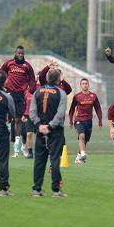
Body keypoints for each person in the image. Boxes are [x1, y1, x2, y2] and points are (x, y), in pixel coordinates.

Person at [29, 69, 68, 197]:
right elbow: (60, 113)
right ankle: (56, 190)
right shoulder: (61, 93)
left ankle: (37, 189)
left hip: (40, 131)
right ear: (58, 80)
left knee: (39, 160)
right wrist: (50, 127)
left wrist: (40, 125)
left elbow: (32, 112)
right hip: (55, 131)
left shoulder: (37, 92)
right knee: (55, 159)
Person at [0, 45, 36, 158]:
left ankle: (16, 147)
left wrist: (30, 89)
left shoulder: (27, 66)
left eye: (22, 53)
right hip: (10, 93)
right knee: (8, 118)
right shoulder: (9, 63)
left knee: (18, 120)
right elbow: (1, 73)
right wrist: (2, 85)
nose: (20, 55)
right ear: (15, 53)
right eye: (18, 53)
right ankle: (5, 143)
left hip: (21, 95)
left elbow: (32, 80)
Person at [69, 78, 103, 164]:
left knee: (85, 140)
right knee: (82, 136)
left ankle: (78, 157)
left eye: (86, 83)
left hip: (89, 121)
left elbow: (98, 108)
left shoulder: (93, 96)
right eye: (83, 83)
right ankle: (83, 154)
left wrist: (100, 120)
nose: (85, 85)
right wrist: (70, 120)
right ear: (80, 85)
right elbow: (72, 109)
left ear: (88, 85)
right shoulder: (77, 96)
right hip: (79, 120)